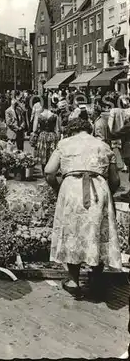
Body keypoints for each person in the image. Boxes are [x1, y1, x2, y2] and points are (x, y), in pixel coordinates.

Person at [45, 116, 122, 300]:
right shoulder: (102, 145)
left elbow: (49, 171)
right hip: (98, 189)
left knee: (73, 231)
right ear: (89, 129)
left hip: (72, 188)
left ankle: (73, 280)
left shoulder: (64, 144)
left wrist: (58, 189)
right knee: (97, 230)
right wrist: (107, 192)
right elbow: (116, 180)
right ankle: (96, 277)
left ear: (71, 130)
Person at [34, 99, 59, 174]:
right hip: (52, 136)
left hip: (43, 136)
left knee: (43, 155)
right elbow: (58, 129)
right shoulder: (55, 115)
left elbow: (34, 129)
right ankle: (50, 173)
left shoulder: (39, 115)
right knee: (51, 156)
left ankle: (44, 172)